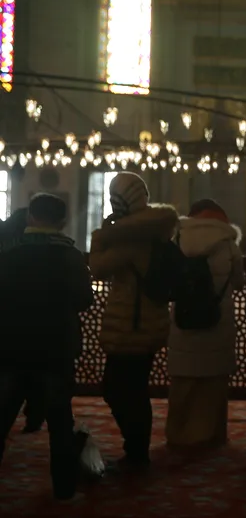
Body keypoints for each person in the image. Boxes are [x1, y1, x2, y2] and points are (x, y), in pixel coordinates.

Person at [0, 194, 94, 500]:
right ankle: (64, 489)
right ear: (62, 222)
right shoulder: (71, 257)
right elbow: (84, 300)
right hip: (56, 349)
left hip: (12, 348)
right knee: (59, 422)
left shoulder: (8, 254)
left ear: (30, 218)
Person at [89, 172, 179, 471]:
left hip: (130, 326)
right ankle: (138, 451)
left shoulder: (130, 237)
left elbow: (99, 268)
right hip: (149, 323)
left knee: (117, 390)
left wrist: (100, 236)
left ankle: (137, 452)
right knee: (135, 390)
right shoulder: (155, 230)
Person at [165, 199, 244, 453]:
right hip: (216, 322)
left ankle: (179, 435)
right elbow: (239, 282)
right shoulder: (229, 244)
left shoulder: (177, 240)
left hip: (184, 321)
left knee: (183, 385)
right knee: (212, 386)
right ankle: (210, 436)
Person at [0, 208, 46, 434]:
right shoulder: (36, 245)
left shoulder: (8, 243)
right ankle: (33, 416)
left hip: (9, 318)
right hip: (35, 319)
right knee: (33, 371)